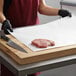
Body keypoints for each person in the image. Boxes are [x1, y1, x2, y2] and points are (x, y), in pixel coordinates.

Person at [0, 0, 72, 76]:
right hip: (11, 34)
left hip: (32, 35)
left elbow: (42, 8)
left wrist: (59, 12)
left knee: (33, 69)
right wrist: (4, 21)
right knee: (10, 69)